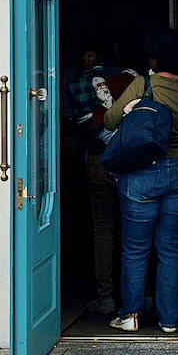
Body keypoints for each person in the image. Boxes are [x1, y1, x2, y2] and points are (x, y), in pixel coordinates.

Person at [103, 28, 178, 333]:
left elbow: (109, 119)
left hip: (142, 174)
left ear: (155, 56)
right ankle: (169, 320)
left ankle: (130, 315)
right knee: (171, 248)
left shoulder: (143, 84)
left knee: (135, 248)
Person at [61, 42, 137, 314]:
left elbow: (70, 116)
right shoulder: (131, 80)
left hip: (98, 157)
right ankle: (140, 296)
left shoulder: (72, 82)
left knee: (103, 230)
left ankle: (106, 298)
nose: (87, 56)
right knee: (134, 230)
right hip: (128, 158)